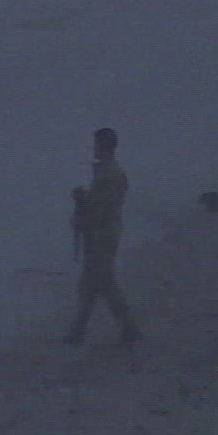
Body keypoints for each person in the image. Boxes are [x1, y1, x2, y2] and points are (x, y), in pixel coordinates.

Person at [66, 128, 141, 346]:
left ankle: (129, 329)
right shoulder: (106, 172)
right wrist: (83, 201)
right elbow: (99, 205)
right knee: (90, 284)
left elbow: (104, 211)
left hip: (103, 237)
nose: (94, 148)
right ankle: (78, 332)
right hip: (99, 235)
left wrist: (81, 220)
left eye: (96, 143)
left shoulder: (111, 175)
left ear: (104, 146)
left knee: (104, 283)